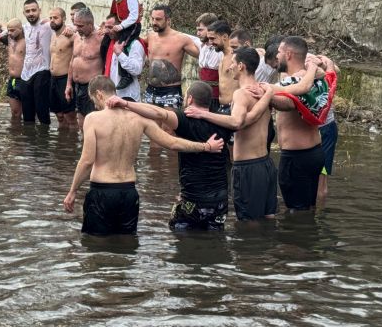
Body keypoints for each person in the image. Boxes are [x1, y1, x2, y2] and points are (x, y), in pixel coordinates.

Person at [62, 76, 224, 236]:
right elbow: (172, 143)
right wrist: (206, 146)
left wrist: (72, 191)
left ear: (98, 94)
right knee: (127, 243)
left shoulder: (93, 119)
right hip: (129, 192)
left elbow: (87, 160)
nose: (95, 106)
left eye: (93, 100)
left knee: (95, 244)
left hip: (102, 192)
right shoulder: (139, 118)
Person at [107, 82, 232, 230]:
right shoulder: (226, 121)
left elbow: (159, 113)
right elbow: (240, 121)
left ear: (190, 99)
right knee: (216, 239)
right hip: (220, 200)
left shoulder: (185, 118)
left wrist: (126, 103)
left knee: (180, 234)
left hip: (194, 198)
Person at [185, 47, 278, 220]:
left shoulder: (241, 94)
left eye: (233, 63)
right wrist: (269, 95)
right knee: (268, 218)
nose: (230, 68)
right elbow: (248, 119)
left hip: (248, 167)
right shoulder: (263, 91)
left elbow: (236, 122)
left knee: (248, 223)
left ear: (241, 66)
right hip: (266, 164)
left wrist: (203, 114)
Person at [271, 37, 329, 212]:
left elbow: (282, 100)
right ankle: (310, 237)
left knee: (296, 213)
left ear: (288, 54)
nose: (276, 56)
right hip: (315, 152)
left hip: (296, 158)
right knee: (309, 208)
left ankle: (297, 239)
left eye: (279, 52)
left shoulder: (293, 82)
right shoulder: (317, 78)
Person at [142, 5, 199, 108]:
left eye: (158, 19)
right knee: (148, 123)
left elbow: (202, 55)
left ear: (168, 20)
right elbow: (135, 44)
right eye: (153, 18)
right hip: (150, 89)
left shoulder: (181, 39)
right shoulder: (150, 37)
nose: (154, 22)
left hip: (170, 91)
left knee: (168, 123)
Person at [66, 8, 106, 129]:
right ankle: (83, 147)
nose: (77, 28)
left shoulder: (101, 37)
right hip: (77, 86)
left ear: (90, 24)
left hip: (92, 88)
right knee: (81, 124)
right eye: (75, 25)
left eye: (80, 26)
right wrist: (68, 84)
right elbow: (73, 60)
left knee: (93, 126)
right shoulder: (77, 36)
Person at [18, 0, 52, 125]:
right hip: (26, 73)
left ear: (39, 11)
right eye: (28, 11)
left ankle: (43, 141)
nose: (31, 13)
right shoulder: (24, 27)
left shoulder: (48, 25)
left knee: (42, 109)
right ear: (24, 13)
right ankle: (29, 142)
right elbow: (8, 28)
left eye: (33, 10)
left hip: (42, 70)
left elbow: (68, 26)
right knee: (27, 113)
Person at [102, 16, 145, 101]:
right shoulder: (110, 43)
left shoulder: (134, 44)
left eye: (110, 27)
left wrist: (120, 54)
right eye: (106, 27)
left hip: (128, 97)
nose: (107, 31)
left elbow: (137, 70)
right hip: (111, 96)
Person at [47, 7, 76, 127]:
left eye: (55, 18)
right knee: (59, 116)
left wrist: (72, 29)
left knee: (70, 117)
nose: (52, 20)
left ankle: (71, 144)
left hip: (65, 79)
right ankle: (61, 144)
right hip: (53, 79)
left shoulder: (71, 35)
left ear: (64, 19)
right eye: (50, 18)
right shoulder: (53, 35)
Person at [207, 20, 238, 114]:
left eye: (213, 38)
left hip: (234, 108)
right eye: (209, 39)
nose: (210, 42)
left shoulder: (236, 57)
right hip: (221, 108)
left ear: (224, 37)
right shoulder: (222, 56)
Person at [196, 13, 223, 108]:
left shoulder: (222, 49)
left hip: (217, 98)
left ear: (211, 28)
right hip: (201, 96)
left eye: (200, 30)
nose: (198, 33)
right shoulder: (202, 46)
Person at [1, 19, 26, 120]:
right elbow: (2, 27)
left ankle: (28, 135)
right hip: (12, 80)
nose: (10, 33)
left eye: (12, 30)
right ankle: (14, 134)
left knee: (29, 113)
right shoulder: (9, 39)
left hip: (24, 81)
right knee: (15, 113)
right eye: (8, 31)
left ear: (20, 29)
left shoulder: (27, 41)